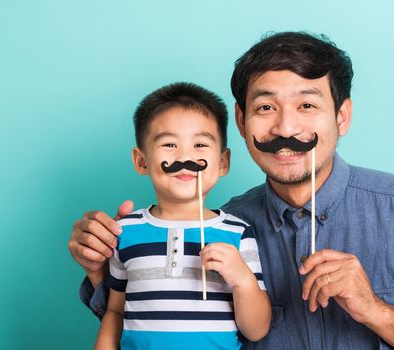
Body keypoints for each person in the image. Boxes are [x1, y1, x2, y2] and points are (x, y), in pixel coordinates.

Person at [70, 32, 394, 349]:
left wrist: (376, 311)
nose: (286, 129)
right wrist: (101, 269)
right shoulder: (223, 227)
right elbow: (155, 323)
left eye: (306, 104)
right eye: (266, 107)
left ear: (342, 116)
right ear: (240, 120)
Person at [93, 82, 271, 349]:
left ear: (223, 162)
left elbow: (256, 330)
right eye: (169, 144)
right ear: (141, 161)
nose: (185, 155)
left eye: (200, 144)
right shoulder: (125, 232)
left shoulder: (237, 232)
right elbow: (115, 311)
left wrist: (242, 280)